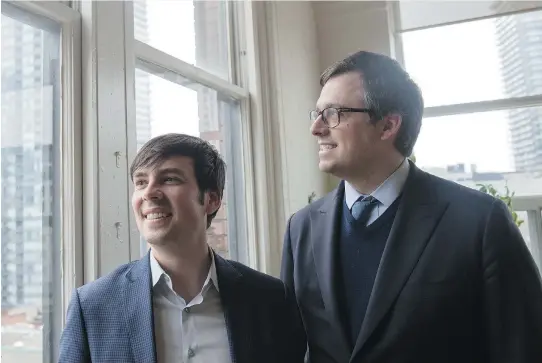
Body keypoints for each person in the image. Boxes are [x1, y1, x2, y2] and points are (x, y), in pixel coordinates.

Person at [281, 50, 542, 363]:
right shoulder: (302, 227)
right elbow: (291, 348)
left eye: (334, 113)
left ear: (388, 125)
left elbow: (524, 348)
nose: (317, 128)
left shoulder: (480, 223)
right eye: (317, 113)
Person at [59, 133, 306, 363]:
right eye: (141, 182)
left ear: (211, 199)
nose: (149, 193)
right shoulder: (93, 306)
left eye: (169, 179)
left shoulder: (270, 299)